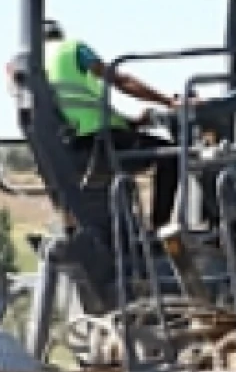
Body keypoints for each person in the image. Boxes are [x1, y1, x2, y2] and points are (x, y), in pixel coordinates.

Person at [43, 21, 186, 228]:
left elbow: (80, 107)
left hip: (70, 149)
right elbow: (120, 81)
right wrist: (169, 102)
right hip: (98, 143)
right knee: (172, 155)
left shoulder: (36, 66)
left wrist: (132, 122)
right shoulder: (72, 49)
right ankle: (159, 230)